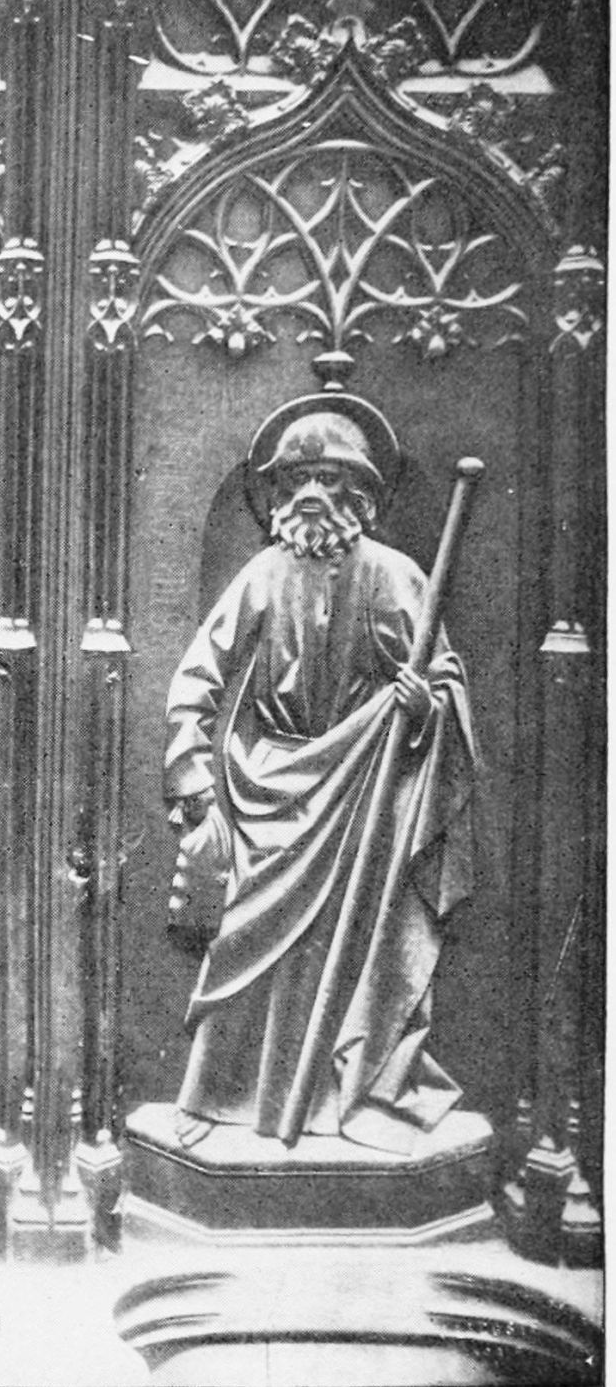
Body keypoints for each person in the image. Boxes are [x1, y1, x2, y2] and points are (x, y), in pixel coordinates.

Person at [163, 398, 477, 1155]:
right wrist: (193, 780)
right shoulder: (264, 574)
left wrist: (423, 706)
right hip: (267, 785)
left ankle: (342, 1097)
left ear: (361, 494)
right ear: (275, 494)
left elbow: (442, 682)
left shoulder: (395, 576)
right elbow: (196, 679)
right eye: (296, 479)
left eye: (330, 480)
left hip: (363, 792)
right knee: (250, 944)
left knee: (356, 948)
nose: (311, 494)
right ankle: (225, 1095)